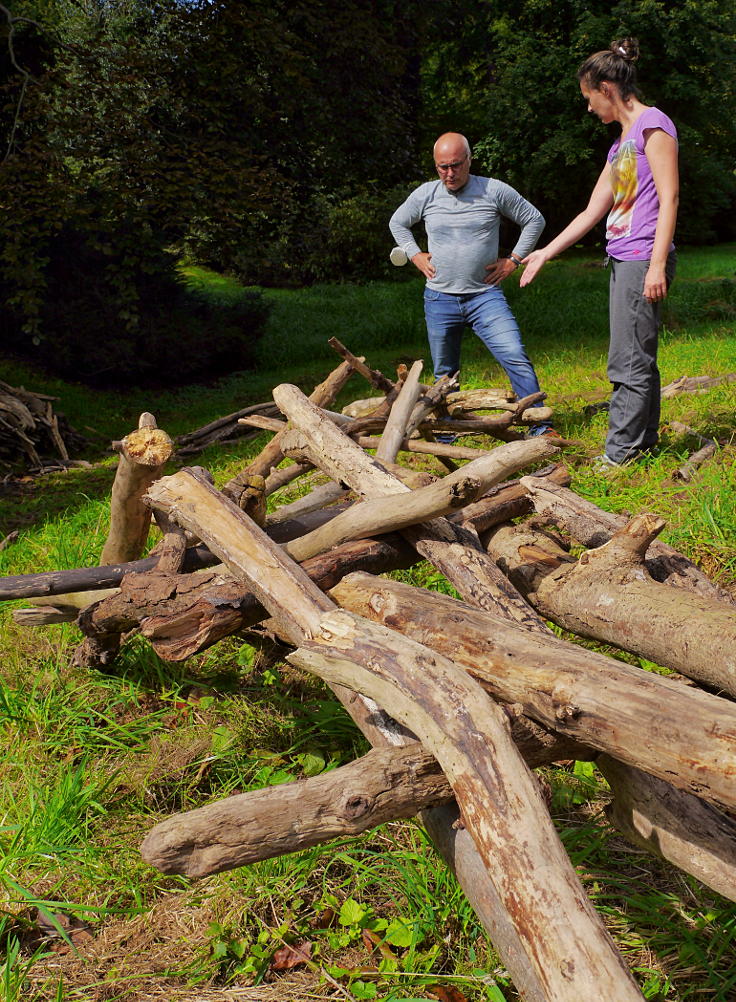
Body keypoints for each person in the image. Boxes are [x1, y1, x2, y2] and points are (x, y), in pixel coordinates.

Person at [520, 37, 679, 468]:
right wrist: (544, 252)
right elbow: (593, 209)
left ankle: (620, 453)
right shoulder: (620, 144)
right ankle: (642, 443)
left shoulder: (653, 125)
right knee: (636, 351)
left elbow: (670, 198)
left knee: (626, 358)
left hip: (642, 256)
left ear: (607, 88)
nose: (589, 108)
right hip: (623, 258)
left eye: (590, 98)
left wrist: (658, 264)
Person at [389, 132, 555, 438]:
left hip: (484, 296)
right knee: (445, 372)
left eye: (455, 165)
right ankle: (445, 432)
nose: (449, 173)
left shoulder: (492, 190)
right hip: (439, 298)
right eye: (442, 167)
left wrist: (513, 260)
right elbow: (397, 222)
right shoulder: (426, 194)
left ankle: (539, 425)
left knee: (514, 353)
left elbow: (534, 219)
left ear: (469, 160)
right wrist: (414, 255)